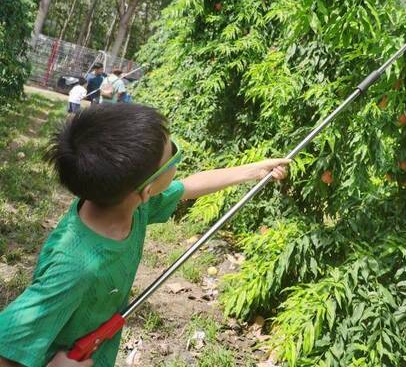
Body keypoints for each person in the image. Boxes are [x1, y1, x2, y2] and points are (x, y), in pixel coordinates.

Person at [0, 104, 290, 367]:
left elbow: (189, 186)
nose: (177, 157)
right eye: (172, 154)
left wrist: (254, 171)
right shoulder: (75, 268)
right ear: (147, 189)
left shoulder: (130, 205)